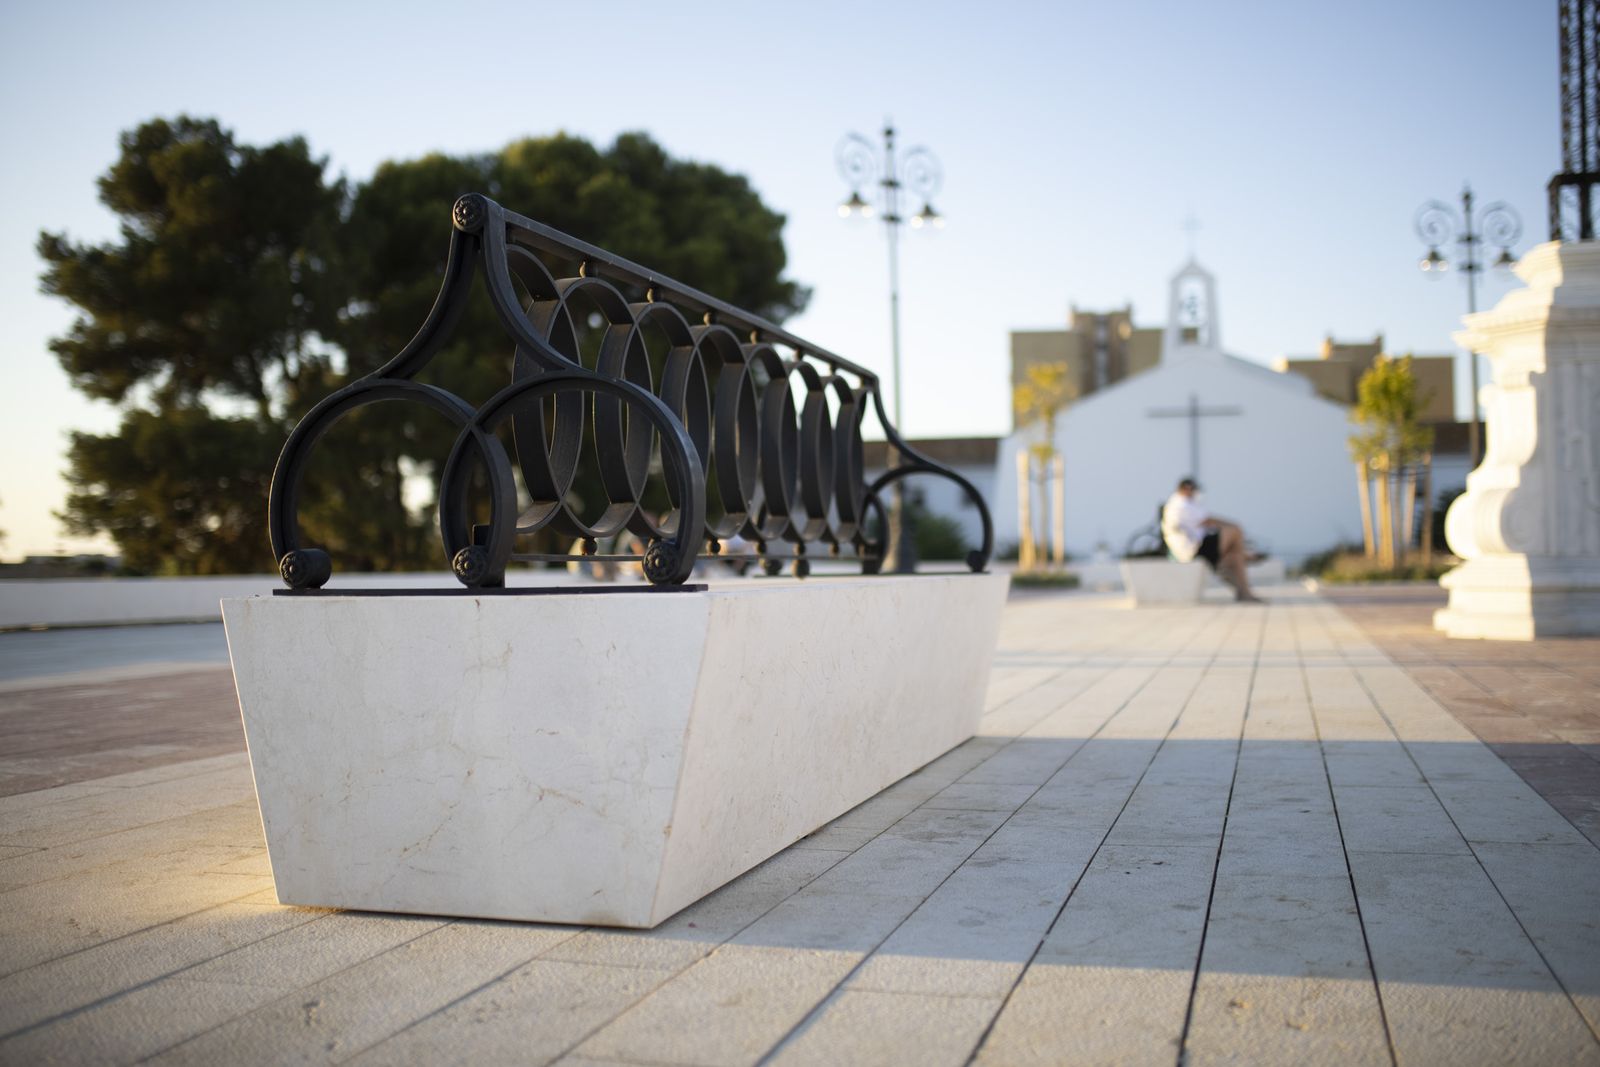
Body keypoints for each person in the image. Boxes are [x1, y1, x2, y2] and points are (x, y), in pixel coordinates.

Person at [1160, 477, 1263, 603]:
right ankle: (1245, 556)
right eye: (1193, 489)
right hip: (1194, 550)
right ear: (1187, 489)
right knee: (1235, 531)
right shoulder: (1181, 504)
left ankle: (1244, 593)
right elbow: (1207, 521)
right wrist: (1234, 525)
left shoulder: (1181, 503)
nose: (1195, 493)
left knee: (1235, 556)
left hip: (1197, 546)